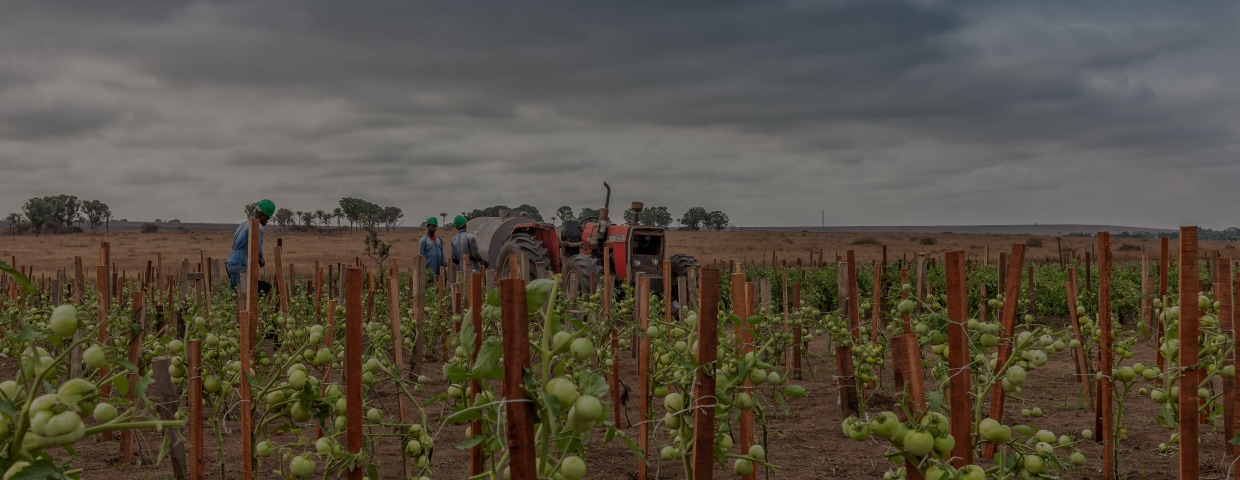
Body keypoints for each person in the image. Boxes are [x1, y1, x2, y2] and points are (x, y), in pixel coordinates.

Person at [226, 199, 274, 291]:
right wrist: (261, 259)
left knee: (235, 294)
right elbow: (258, 247)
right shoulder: (257, 226)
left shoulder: (244, 224)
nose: (267, 222)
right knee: (243, 296)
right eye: (267, 218)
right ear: (261, 215)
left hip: (231, 261)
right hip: (240, 262)